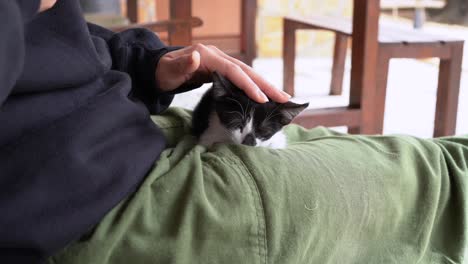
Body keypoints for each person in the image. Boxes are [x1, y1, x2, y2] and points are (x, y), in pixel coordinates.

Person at [1, 1, 467, 264]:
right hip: (81, 193)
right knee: (440, 173)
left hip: (113, 127)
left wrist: (145, 63)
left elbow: (39, 40)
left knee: (378, 166)